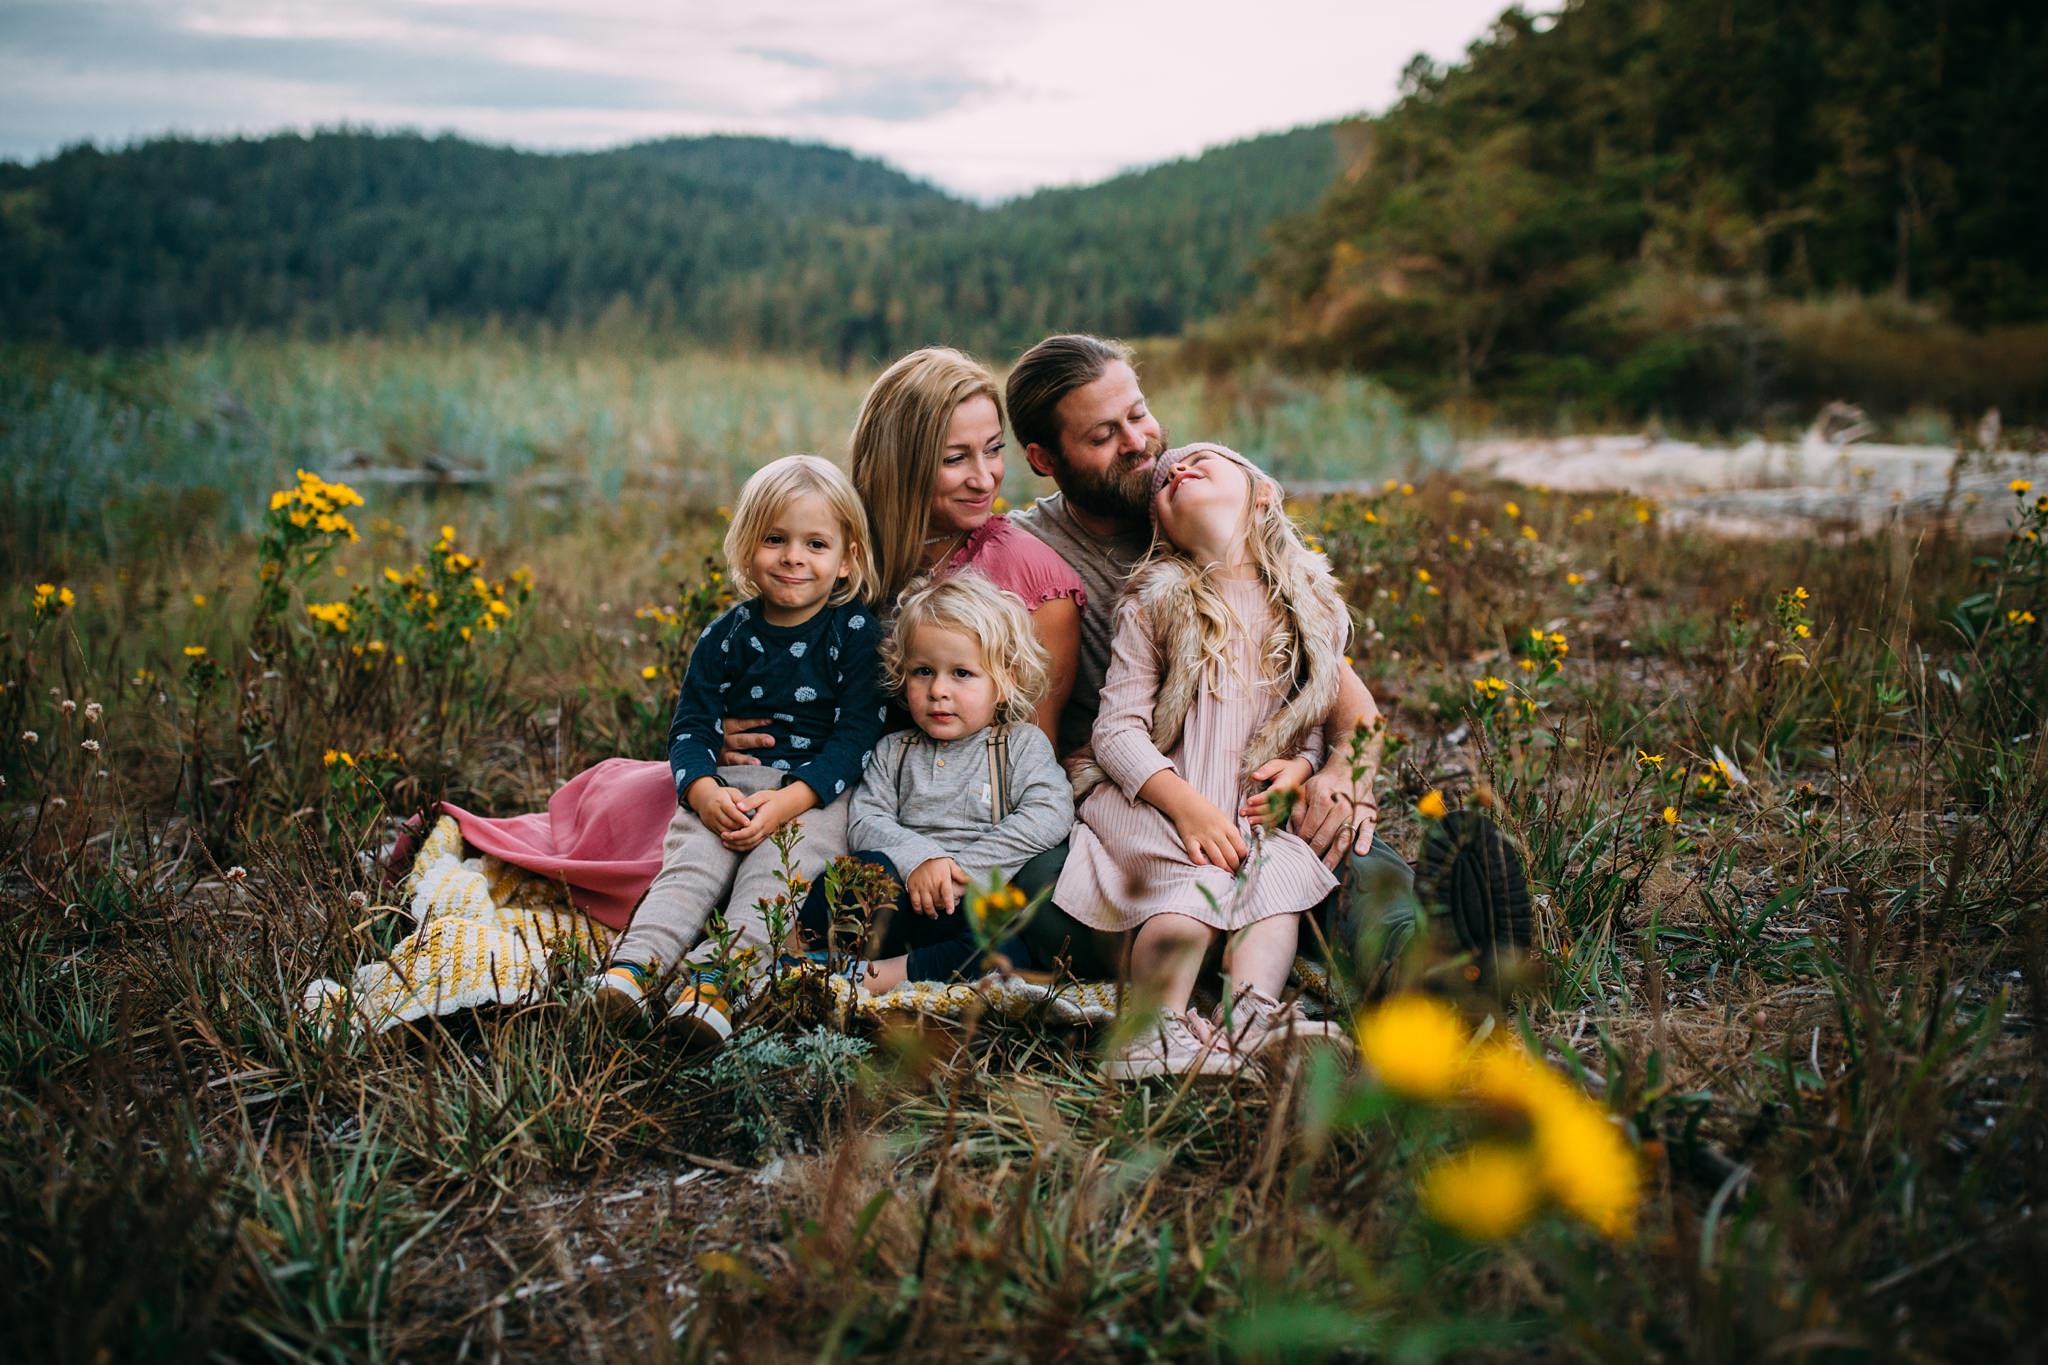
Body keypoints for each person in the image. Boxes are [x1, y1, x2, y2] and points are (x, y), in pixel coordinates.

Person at [1003, 335, 1528, 999]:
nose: (1140, 443)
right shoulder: (1028, 553)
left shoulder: (1208, 498)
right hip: (1137, 811)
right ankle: (1200, 968)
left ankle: (1435, 970)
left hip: (1257, 802)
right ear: (1045, 458)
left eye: (1138, 413)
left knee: (1339, 849)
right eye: (1104, 434)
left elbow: (1339, 693)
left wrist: (1339, 773)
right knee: (1051, 887)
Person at [1054, 444, 1352, 1078]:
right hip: (1159, 798)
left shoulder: (1310, 607)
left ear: (1262, 493)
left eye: (1201, 463)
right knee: (1195, 883)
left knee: (1275, 885)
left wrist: (1298, 772)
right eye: (1165, 480)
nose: (1177, 472)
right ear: (1161, 527)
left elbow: (1309, 725)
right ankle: (1150, 1034)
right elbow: (1116, 731)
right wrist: (1184, 804)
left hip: (1245, 809)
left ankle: (1251, 1021)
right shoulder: (1156, 602)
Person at [589, 454, 888, 1046]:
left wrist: (789, 804)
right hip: (728, 785)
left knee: (774, 881)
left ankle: (718, 988)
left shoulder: (855, 634)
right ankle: (631, 972)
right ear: (748, 544)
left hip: (815, 798)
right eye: (775, 539)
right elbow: (691, 727)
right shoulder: (726, 634)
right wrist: (702, 792)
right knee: (691, 870)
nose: (793, 557)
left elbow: (857, 738)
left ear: (848, 557)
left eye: (816, 544)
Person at [724, 346, 1085, 753]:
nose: (984, 479)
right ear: (898, 460)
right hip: (817, 781)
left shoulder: (1031, 580)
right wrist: (723, 734)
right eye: (955, 459)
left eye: (994, 450)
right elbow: (761, 657)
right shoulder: (830, 546)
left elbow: (1037, 752)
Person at [796, 572, 1073, 992]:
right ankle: (794, 955)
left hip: (969, 901)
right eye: (923, 671)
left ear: (1005, 682)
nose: (938, 690)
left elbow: (1051, 812)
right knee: (848, 878)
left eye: (962, 673)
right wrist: (921, 860)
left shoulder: (1017, 745)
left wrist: (965, 870)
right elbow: (866, 819)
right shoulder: (895, 750)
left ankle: (880, 976)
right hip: (900, 896)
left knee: (1006, 950)